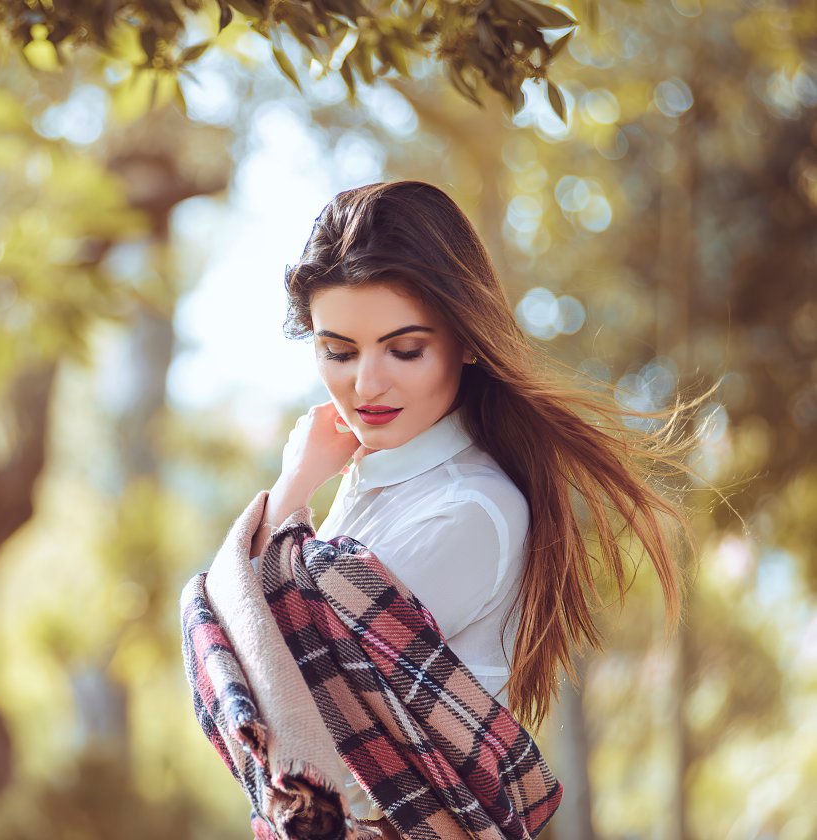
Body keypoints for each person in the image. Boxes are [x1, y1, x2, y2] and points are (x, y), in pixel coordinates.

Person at [245, 180, 713, 831]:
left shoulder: (467, 512)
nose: (368, 383)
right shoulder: (372, 482)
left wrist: (293, 488)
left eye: (405, 349)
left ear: (466, 339)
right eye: (339, 352)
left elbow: (270, 676)